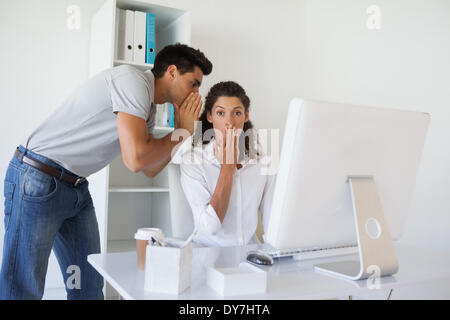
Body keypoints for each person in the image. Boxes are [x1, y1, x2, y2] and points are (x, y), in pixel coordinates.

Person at [0, 43, 212, 300]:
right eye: (194, 83)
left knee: (88, 285)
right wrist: (183, 132)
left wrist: (182, 132)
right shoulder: (133, 82)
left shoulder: (148, 108)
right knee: (22, 288)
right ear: (172, 72)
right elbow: (135, 159)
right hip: (38, 178)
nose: (196, 93)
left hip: (75, 187)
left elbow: (148, 169)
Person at [178, 81, 276, 247]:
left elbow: (273, 223)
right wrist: (228, 166)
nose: (229, 122)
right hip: (208, 255)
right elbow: (210, 226)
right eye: (220, 113)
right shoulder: (193, 161)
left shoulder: (262, 163)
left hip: (249, 256)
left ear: (246, 116)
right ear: (210, 116)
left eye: (236, 113)